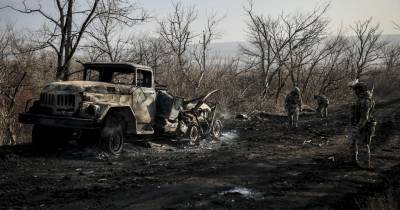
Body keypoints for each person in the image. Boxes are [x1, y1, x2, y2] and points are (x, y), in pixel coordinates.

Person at [348, 82, 377, 168]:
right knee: (353, 142)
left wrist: (357, 128)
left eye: (355, 90)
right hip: (359, 124)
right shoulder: (362, 98)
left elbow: (364, 117)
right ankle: (354, 161)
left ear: (359, 90)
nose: (354, 92)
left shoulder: (365, 100)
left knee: (364, 144)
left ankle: (365, 165)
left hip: (365, 125)